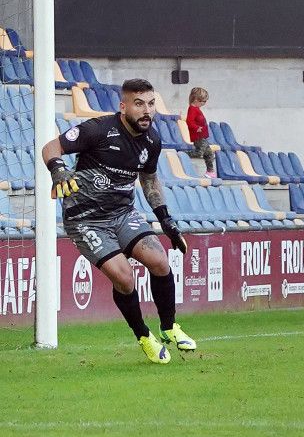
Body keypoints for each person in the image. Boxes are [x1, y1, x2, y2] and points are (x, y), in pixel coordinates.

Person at [41, 78, 194, 364]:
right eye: (139, 104)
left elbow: (149, 180)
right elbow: (51, 147)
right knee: (125, 278)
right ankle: (144, 336)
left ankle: (169, 328)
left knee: (160, 261)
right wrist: (58, 171)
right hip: (86, 219)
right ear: (123, 107)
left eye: (151, 104)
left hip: (123, 214)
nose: (147, 111)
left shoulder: (152, 140)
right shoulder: (98, 130)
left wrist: (167, 221)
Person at [185, 87, 217, 178]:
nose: (204, 103)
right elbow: (189, 121)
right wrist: (196, 128)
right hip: (198, 136)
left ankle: (210, 171)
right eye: (203, 101)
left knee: (209, 153)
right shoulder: (192, 109)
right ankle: (185, 154)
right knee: (200, 153)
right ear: (196, 100)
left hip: (202, 136)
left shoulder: (197, 109)